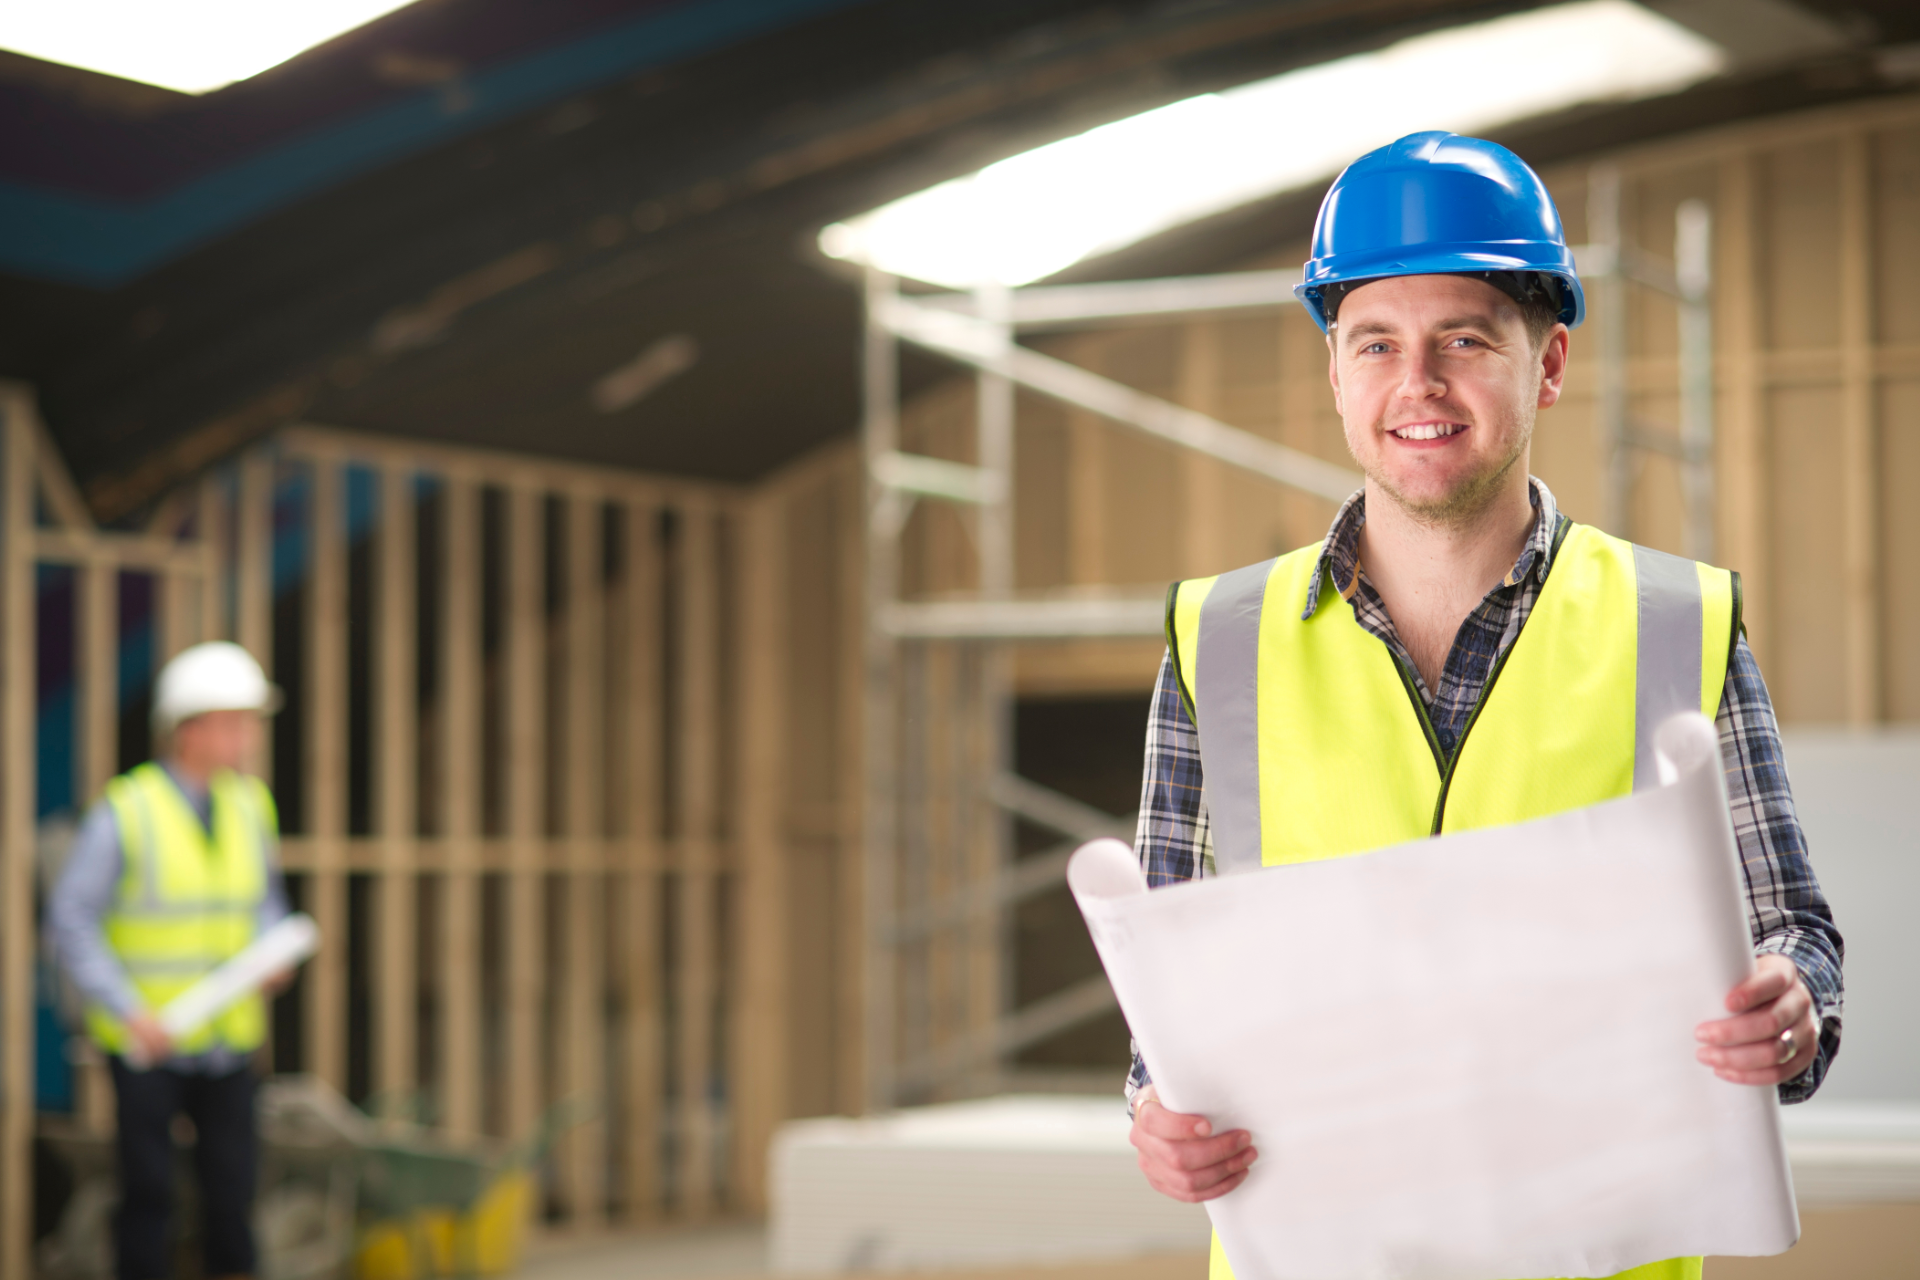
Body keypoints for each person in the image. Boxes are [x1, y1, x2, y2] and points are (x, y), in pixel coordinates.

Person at [1122, 132, 1843, 1280]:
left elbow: (1793, 932)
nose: (1418, 383)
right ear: (1337, 370)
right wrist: (1157, 1105)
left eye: (1465, 339)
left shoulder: (1677, 622)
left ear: (1547, 364)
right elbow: (1166, 998)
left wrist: (1793, 1008)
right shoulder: (1216, 642)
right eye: (1377, 344)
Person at [47, 641, 290, 1280]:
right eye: (235, 722)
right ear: (190, 729)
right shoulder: (128, 812)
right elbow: (71, 918)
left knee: (233, 1195)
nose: (248, 737)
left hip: (229, 1039)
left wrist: (272, 950)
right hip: (150, 1042)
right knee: (149, 1194)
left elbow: (264, 900)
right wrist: (128, 1010)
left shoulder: (249, 805)